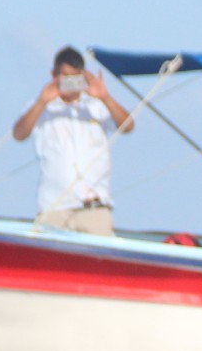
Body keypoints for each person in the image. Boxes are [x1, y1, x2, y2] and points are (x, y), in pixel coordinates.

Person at [12, 46, 134, 235]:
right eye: (64, 77)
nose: (70, 83)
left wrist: (105, 97)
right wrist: (42, 101)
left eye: (75, 77)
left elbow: (128, 126)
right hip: (54, 209)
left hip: (93, 208)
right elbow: (19, 134)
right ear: (54, 75)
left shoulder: (96, 106)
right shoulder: (41, 107)